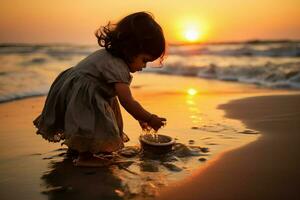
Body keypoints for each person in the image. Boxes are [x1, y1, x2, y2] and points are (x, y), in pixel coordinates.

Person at [33, 11, 166, 167]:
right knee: (92, 120)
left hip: (73, 87)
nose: (143, 66)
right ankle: (86, 157)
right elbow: (128, 101)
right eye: (144, 60)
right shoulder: (118, 66)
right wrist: (150, 118)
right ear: (130, 49)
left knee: (85, 120)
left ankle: (77, 150)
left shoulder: (108, 56)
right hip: (84, 93)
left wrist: (140, 118)